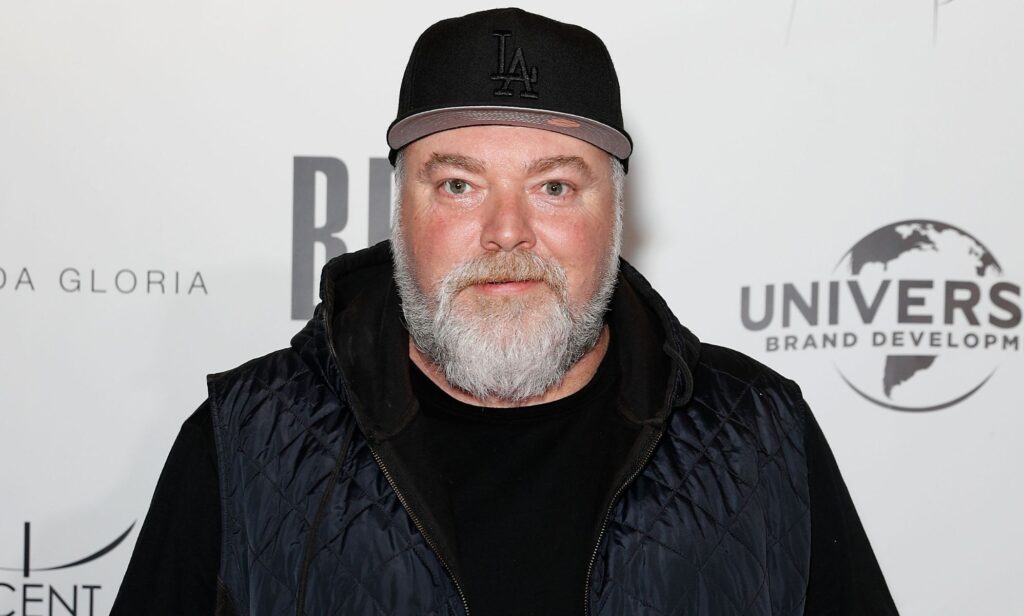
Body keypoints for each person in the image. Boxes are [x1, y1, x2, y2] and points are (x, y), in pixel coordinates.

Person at [112, 7, 898, 615]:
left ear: (616, 213)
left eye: (555, 186)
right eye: (459, 184)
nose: (507, 231)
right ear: (400, 209)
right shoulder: (242, 441)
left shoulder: (758, 439)